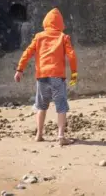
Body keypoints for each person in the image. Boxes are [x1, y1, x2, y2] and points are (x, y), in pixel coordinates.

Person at [14, 8, 78, 146]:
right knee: (61, 106)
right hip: (57, 77)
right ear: (61, 24)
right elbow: (72, 56)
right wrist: (74, 73)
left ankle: (39, 134)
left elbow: (27, 53)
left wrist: (20, 69)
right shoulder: (63, 37)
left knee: (41, 106)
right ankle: (61, 136)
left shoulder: (39, 37)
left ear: (46, 23)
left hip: (42, 76)